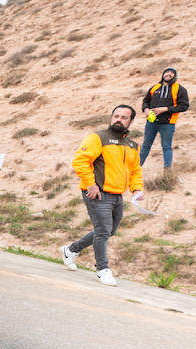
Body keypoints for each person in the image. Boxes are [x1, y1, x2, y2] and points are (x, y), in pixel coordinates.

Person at [60, 105, 144, 287]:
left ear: (131, 121)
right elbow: (80, 160)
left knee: (109, 231)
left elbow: (135, 170)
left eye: (124, 117)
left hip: (117, 195)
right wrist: (91, 183)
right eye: (116, 116)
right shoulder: (97, 138)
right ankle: (102, 269)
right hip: (96, 192)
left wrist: (137, 189)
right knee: (104, 230)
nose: (118, 119)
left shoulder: (132, 145)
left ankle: (71, 250)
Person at [139, 67, 188, 171]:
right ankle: (136, 168)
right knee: (146, 145)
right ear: (163, 74)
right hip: (151, 121)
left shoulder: (180, 89)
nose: (168, 74)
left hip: (168, 123)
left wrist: (166, 109)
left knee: (166, 147)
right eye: (166, 72)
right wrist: (146, 109)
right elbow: (145, 101)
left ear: (175, 76)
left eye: (171, 73)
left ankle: (167, 172)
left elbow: (184, 106)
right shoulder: (155, 87)